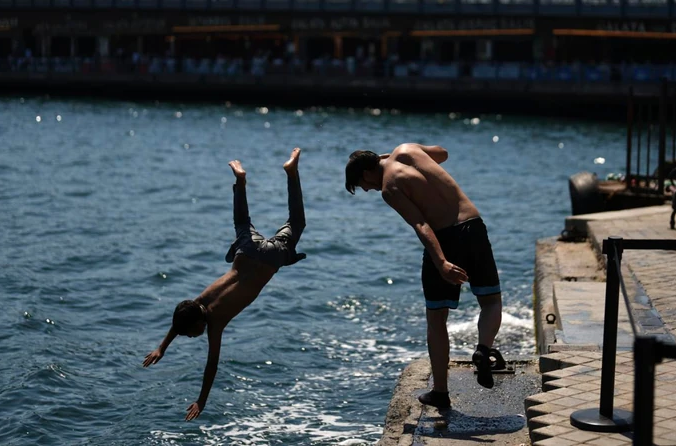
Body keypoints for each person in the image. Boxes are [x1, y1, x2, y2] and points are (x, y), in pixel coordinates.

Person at [142, 148, 307, 421]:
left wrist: (201, 400)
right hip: (248, 250)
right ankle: (241, 181)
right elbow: (180, 320)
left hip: (270, 258)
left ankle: (293, 173)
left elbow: (211, 366)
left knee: (296, 222)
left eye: (191, 334)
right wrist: (163, 346)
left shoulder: (215, 323)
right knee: (242, 222)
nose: (193, 337)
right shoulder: (197, 302)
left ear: (199, 324)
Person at [345, 144, 503, 410]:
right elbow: (443, 153)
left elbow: (421, 224)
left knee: (437, 318)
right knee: (490, 301)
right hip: (473, 226)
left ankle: (441, 392)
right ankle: (484, 349)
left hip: (445, 238)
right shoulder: (406, 149)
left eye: (361, 184)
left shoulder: (390, 188)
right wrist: (387, 155)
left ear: (366, 173)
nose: (366, 189)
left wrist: (441, 262)